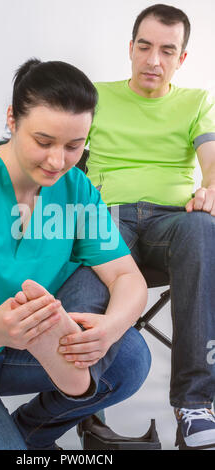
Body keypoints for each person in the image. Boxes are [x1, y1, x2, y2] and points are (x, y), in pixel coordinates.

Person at [0, 58, 150, 450]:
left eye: (74, 145)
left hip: (12, 346)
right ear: (12, 119)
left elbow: (128, 278)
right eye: (43, 142)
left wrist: (108, 330)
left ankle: (26, 434)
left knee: (128, 357)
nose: (58, 161)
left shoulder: (74, 187)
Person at [80, 3, 215, 450]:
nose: (153, 60)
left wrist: (212, 187)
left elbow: (211, 163)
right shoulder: (95, 96)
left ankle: (194, 405)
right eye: (144, 46)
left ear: (182, 58)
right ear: (131, 48)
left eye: (167, 50)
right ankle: (85, 406)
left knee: (203, 230)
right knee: (87, 235)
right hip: (108, 217)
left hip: (171, 226)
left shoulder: (197, 101)